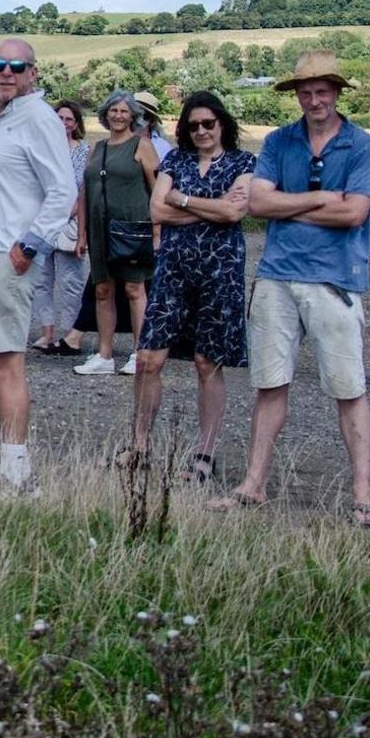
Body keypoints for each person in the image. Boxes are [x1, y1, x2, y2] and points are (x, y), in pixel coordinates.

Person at [210, 50, 370, 527]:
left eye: (322, 91)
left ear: (337, 92)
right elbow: (258, 204)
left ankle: (362, 495)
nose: (313, 100)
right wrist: (320, 198)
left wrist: (289, 205)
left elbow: (354, 214)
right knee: (269, 384)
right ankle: (253, 485)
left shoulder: (364, 147)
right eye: (305, 92)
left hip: (334, 281)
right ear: (297, 96)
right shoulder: (279, 141)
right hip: (277, 277)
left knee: (349, 388)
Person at [0, 39, 76, 491]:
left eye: (15, 66)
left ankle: (18, 475)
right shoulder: (3, 119)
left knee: (6, 363)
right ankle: (7, 466)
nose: (5, 72)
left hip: (6, 257)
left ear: (33, 72)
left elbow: (63, 190)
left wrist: (29, 245)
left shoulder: (39, 118)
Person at [127, 92, 255, 481]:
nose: (201, 131)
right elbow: (156, 209)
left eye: (208, 124)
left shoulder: (244, 162)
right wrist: (206, 205)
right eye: (193, 125)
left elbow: (235, 212)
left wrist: (181, 199)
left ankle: (205, 453)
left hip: (221, 272)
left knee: (206, 363)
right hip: (173, 270)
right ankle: (139, 445)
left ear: (222, 124)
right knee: (149, 359)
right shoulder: (175, 159)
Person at [73, 91, 160, 377]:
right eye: (113, 111)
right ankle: (104, 354)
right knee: (102, 290)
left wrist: (157, 230)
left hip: (132, 226)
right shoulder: (96, 149)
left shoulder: (142, 145)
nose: (118, 116)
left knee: (135, 289)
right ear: (105, 114)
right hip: (99, 229)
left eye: (124, 111)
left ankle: (140, 351)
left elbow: (157, 188)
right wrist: (82, 233)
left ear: (132, 115)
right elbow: (85, 191)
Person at [32, 100, 90, 355]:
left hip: (70, 223)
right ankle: (46, 331)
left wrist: (70, 218)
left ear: (76, 123)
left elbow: (83, 191)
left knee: (71, 282)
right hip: (42, 223)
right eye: (59, 118)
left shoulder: (84, 151)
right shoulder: (40, 149)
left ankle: (70, 334)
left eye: (69, 119)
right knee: (42, 280)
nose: (64, 123)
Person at [133, 91, 174, 160]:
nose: (138, 119)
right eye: (134, 113)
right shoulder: (118, 141)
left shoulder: (163, 147)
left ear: (152, 121)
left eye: (144, 115)